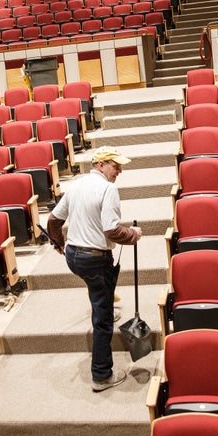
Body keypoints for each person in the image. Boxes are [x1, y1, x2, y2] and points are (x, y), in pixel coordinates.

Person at [47, 146, 142, 392]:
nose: (119, 170)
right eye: (115, 165)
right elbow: (112, 231)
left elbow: (53, 221)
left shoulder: (76, 184)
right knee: (102, 319)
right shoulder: (108, 189)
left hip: (73, 257)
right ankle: (101, 375)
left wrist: (58, 243)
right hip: (93, 259)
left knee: (99, 288)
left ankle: (105, 304)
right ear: (100, 164)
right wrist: (133, 234)